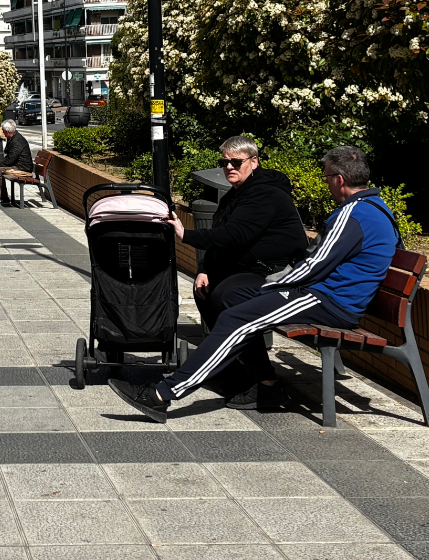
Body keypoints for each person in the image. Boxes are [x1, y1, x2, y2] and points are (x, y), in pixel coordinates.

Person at [110, 146, 400, 423]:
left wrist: (274, 286)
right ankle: (267, 385)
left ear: (339, 179)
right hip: (329, 296)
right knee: (233, 298)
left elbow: (316, 264)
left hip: (329, 301)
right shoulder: (379, 209)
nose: (326, 184)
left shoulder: (353, 214)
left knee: (239, 317)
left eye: (326, 177)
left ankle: (162, 394)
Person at [169, 135, 308, 409]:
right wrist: (204, 269)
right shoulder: (237, 193)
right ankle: (238, 373)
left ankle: (267, 385)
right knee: (206, 290)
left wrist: (187, 235)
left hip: (280, 275)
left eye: (236, 161)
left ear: (253, 162)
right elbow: (225, 238)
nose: (229, 167)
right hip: (253, 269)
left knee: (228, 297)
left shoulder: (265, 194)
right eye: (225, 162)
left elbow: (235, 235)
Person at [0, 120, 33, 206]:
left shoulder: (16, 141)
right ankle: (1, 196)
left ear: (7, 131)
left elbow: (11, 160)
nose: (2, 132)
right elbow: (7, 152)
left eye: (3, 130)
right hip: (18, 165)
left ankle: (2, 197)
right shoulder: (13, 138)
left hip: (23, 167)